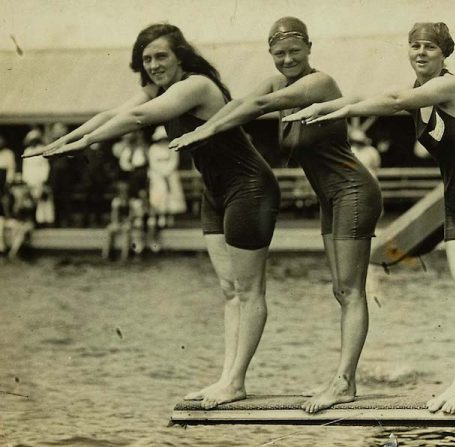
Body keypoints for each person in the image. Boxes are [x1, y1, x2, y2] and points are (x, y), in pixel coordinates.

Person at [23, 23, 280, 409]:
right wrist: (64, 140)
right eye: (147, 59)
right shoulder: (159, 88)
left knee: (249, 290)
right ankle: (229, 379)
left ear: (181, 56)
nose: (154, 65)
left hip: (250, 187)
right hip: (215, 193)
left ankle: (235, 380)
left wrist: (87, 142)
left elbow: (141, 118)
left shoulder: (196, 85)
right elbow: (117, 112)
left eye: (161, 56)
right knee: (229, 290)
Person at [284, 22, 455, 415]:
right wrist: (333, 107)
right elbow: (396, 97)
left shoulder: (450, 87)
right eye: (415, 46)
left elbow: (393, 100)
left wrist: (333, 107)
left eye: (430, 47)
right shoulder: (419, 92)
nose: (421, 52)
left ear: (444, 54)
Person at [169, 17, 383, 414]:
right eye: (278, 53)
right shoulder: (276, 82)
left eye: (294, 52)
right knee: (340, 290)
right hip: (330, 199)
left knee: (350, 290)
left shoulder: (320, 84)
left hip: (354, 191)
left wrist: (204, 132)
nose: (286, 60)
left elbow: (263, 106)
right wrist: (209, 121)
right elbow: (243, 104)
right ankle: (339, 377)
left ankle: (344, 383)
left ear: (309, 49)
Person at [147, 125, 186, 251]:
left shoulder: (172, 148)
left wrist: (167, 171)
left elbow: (174, 161)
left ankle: (169, 218)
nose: (163, 141)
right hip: (157, 175)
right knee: (159, 195)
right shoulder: (153, 149)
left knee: (172, 195)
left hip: (170, 173)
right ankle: (160, 217)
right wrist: (161, 172)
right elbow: (152, 163)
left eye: (164, 138)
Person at [0, 133, 17, 255]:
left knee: (5, 204)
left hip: (3, 180)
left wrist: (8, 182)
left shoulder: (8, 154)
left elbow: (11, 169)